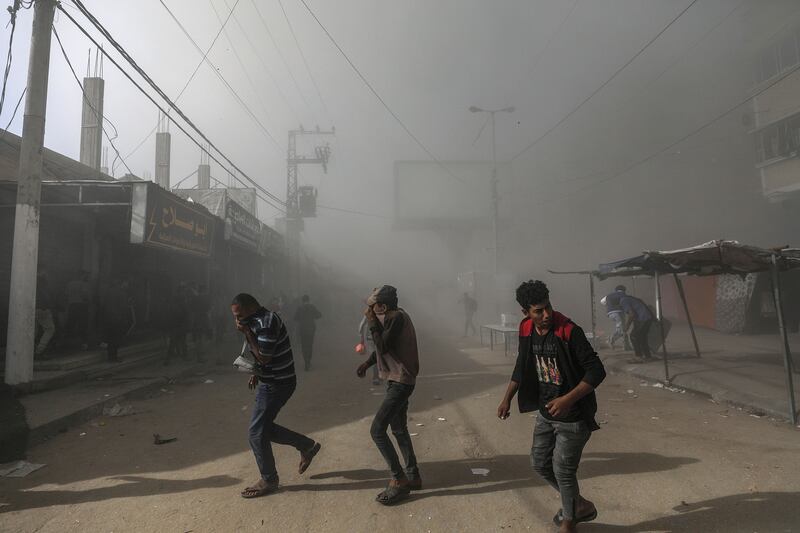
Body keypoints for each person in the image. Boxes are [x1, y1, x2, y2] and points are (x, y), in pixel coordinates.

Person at [496, 280, 606, 533]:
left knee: (563, 470)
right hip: (546, 413)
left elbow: (596, 370)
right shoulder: (525, 329)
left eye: (548, 307)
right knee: (539, 464)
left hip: (574, 416)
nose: (546, 314)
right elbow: (522, 366)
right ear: (526, 312)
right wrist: (507, 398)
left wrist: (568, 398)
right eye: (538, 310)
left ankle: (569, 522)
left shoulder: (568, 330)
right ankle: (577, 504)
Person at [232, 293, 321, 498]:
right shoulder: (255, 320)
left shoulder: (267, 321)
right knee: (264, 429)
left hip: (278, 383)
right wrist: (255, 372)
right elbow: (259, 357)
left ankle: (269, 480)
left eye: (239, 314)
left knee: (256, 433)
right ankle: (306, 446)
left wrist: (247, 332)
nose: (237, 319)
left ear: (250, 307)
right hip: (271, 380)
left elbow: (264, 356)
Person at [356, 285, 421, 505]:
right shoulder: (394, 317)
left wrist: (372, 321)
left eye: (373, 308)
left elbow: (382, 345)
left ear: (382, 305)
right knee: (399, 428)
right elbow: (385, 347)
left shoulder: (396, 318)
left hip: (401, 381)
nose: (370, 312)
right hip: (396, 379)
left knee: (377, 430)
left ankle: (398, 479)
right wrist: (367, 363)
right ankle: (413, 475)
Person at [102, 280, 133, 362]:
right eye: (127, 283)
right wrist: (128, 303)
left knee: (110, 338)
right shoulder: (122, 293)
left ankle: (110, 357)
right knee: (116, 339)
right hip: (117, 318)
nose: (127, 285)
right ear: (122, 283)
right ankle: (113, 358)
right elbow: (123, 307)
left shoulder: (109, 291)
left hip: (108, 318)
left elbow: (104, 304)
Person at [621, 292, 656, 363]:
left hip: (642, 318)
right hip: (648, 318)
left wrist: (627, 326)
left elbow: (631, 314)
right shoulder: (631, 298)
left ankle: (638, 357)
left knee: (634, 336)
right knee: (642, 338)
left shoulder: (623, 301)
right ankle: (648, 356)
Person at [293, 294, 322, 371]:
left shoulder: (299, 308)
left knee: (303, 345)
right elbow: (319, 315)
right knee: (310, 345)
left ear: (302, 301)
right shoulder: (312, 307)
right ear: (309, 300)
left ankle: (306, 361)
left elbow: (295, 318)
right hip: (311, 329)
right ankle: (308, 361)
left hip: (302, 330)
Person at [64, 271, 91, 350]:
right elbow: (84, 295)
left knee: (71, 323)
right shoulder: (83, 284)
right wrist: (88, 302)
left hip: (72, 305)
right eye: (86, 275)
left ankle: (68, 342)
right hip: (81, 305)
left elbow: (66, 294)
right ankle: (84, 343)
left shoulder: (69, 284)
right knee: (83, 324)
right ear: (82, 276)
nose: (87, 277)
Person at [601, 285, 630, 350]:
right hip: (618, 313)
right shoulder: (623, 295)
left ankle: (626, 346)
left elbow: (602, 301)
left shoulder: (609, 295)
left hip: (610, 314)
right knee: (621, 330)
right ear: (624, 290)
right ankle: (610, 340)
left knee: (622, 329)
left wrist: (609, 306)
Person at [34, 271, 56, 357]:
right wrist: (47, 308)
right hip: (42, 310)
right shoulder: (43, 288)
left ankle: (29, 349)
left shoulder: (32, 286)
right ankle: (39, 350)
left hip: (33, 310)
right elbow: (46, 300)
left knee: (33, 331)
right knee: (50, 329)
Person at [358, 312, 381, 386]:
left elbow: (361, 326)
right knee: (379, 356)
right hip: (380, 338)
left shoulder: (368, 313)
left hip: (370, 338)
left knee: (374, 355)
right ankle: (377, 376)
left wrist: (361, 339)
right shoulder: (383, 311)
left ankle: (376, 376)